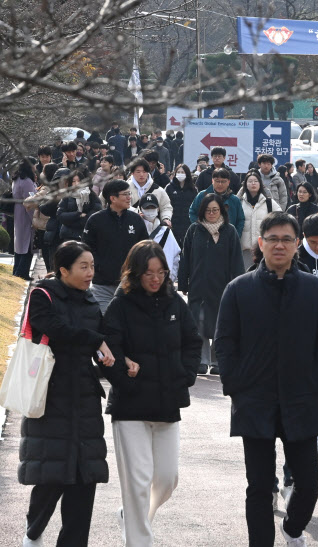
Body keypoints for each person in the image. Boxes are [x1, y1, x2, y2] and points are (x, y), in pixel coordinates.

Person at [214, 211, 318, 547]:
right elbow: (224, 343)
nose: (279, 245)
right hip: (254, 401)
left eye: (286, 239)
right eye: (273, 239)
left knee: (309, 482)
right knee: (258, 486)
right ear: (260, 243)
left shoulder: (314, 289)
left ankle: (293, 529)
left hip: (302, 399)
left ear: (297, 244)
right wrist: (235, 386)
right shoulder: (238, 290)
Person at [101, 240, 200, 546]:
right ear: (135, 273)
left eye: (161, 272)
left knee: (168, 480)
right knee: (138, 483)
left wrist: (184, 376)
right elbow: (107, 352)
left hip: (168, 403)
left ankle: (132, 516)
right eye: (148, 273)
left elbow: (192, 342)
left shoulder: (175, 303)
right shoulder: (120, 305)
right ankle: (138, 539)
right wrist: (127, 381)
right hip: (130, 408)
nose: (156, 278)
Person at [19, 241, 114, 547]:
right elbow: (52, 327)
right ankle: (33, 534)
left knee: (85, 478)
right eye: (83, 266)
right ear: (63, 270)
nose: (90, 273)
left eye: (92, 266)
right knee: (52, 475)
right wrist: (93, 339)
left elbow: (101, 342)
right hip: (49, 395)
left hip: (84, 396)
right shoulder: (42, 295)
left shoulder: (90, 303)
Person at [178, 194, 244, 376]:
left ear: (221, 210)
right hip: (199, 286)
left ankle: (217, 361)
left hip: (222, 286)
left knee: (220, 324)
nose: (212, 213)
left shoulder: (229, 231)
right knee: (198, 322)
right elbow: (185, 258)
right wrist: (183, 281)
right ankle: (201, 360)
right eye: (208, 210)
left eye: (215, 210)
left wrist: (238, 284)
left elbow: (237, 261)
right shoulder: (194, 230)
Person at [82, 179, 149, 314]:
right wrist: (98, 267)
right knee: (105, 322)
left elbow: (145, 248)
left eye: (129, 193)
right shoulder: (95, 220)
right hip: (102, 285)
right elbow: (86, 249)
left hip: (130, 284)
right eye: (125, 194)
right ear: (112, 198)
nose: (129, 197)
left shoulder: (136, 220)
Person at [240, 170, 280, 268]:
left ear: (260, 184)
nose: (253, 183)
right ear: (245, 184)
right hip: (244, 249)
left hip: (264, 247)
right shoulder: (239, 202)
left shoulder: (269, 202)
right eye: (250, 181)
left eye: (256, 181)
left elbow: (280, 218)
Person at [188, 167, 245, 235]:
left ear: (228, 182)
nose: (220, 184)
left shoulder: (234, 200)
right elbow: (192, 212)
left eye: (223, 181)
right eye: (217, 181)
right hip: (205, 235)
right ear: (212, 181)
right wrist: (200, 227)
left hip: (227, 238)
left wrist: (236, 236)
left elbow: (240, 220)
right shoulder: (202, 195)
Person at [138, 194, 181, 282]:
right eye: (147, 208)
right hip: (141, 282)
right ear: (141, 209)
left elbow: (175, 257)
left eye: (153, 208)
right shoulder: (136, 229)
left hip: (163, 281)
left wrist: (170, 279)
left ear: (158, 209)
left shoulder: (166, 231)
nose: (150, 211)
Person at [56, 170, 101, 242]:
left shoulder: (90, 194)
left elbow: (96, 210)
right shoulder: (67, 196)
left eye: (79, 181)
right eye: (73, 181)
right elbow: (60, 215)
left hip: (86, 233)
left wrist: (82, 221)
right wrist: (78, 215)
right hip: (69, 235)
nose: (76, 184)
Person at [126, 158, 173, 226]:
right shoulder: (125, 189)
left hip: (154, 227)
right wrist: (135, 213)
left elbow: (166, 206)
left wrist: (166, 218)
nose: (141, 174)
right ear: (132, 173)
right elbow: (121, 206)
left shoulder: (158, 190)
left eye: (144, 171)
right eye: (138, 172)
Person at [12, 161, 38, 279]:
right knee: (27, 245)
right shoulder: (27, 180)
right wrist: (35, 218)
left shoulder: (17, 178)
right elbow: (30, 202)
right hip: (25, 213)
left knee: (20, 244)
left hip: (19, 212)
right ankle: (22, 272)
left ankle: (17, 270)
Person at [166, 163, 198, 245]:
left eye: (183, 172)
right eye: (178, 172)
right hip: (173, 223)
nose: (180, 174)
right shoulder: (169, 188)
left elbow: (196, 207)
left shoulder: (193, 189)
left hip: (188, 223)